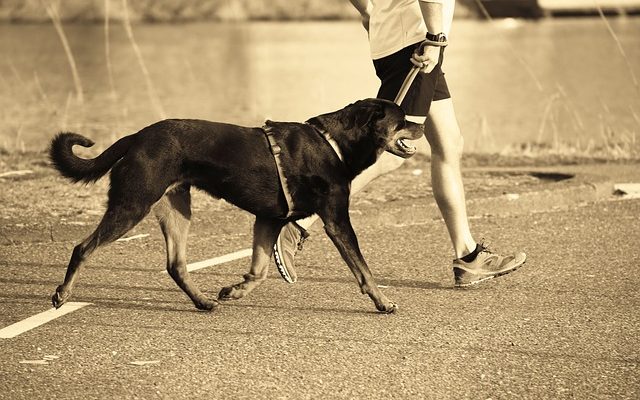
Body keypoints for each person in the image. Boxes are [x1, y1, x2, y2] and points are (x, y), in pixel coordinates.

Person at [273, 0, 526, 286]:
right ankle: (298, 222)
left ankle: (468, 258)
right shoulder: (427, 38)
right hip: (419, 43)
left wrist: (369, 12)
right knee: (391, 151)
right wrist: (434, 37)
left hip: (403, 40)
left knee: (449, 143)